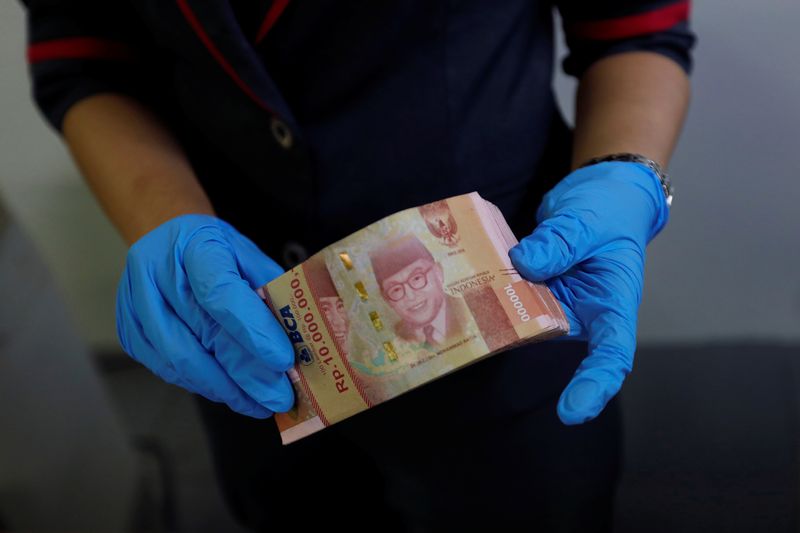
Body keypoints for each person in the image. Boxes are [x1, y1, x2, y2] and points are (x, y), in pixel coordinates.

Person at [19, 0, 695, 530]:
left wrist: (624, 173)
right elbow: (87, 54)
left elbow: (631, 28)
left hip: (510, 328)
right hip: (245, 324)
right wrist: (163, 217)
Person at [370, 234, 468, 349]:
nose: (410, 296)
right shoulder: (394, 339)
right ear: (387, 300)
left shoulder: (470, 312)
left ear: (438, 273)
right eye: (396, 289)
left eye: (417, 278)